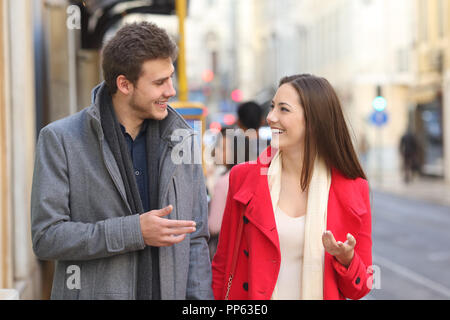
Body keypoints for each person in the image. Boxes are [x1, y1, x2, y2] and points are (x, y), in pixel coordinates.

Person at [31, 22, 213, 300]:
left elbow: (196, 238)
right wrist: (134, 231)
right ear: (124, 84)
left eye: (171, 78)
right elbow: (47, 238)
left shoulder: (184, 139)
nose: (171, 90)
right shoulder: (60, 139)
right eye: (159, 82)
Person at [212, 74, 373, 300]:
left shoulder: (354, 188)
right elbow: (222, 265)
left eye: (283, 109)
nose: (270, 117)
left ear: (314, 120)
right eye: (271, 107)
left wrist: (347, 259)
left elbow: (361, 287)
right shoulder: (242, 178)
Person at [208, 127, 239, 260]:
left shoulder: (224, 181)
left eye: (222, 148)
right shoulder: (246, 176)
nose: (216, 152)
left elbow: (213, 226)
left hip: (223, 251)